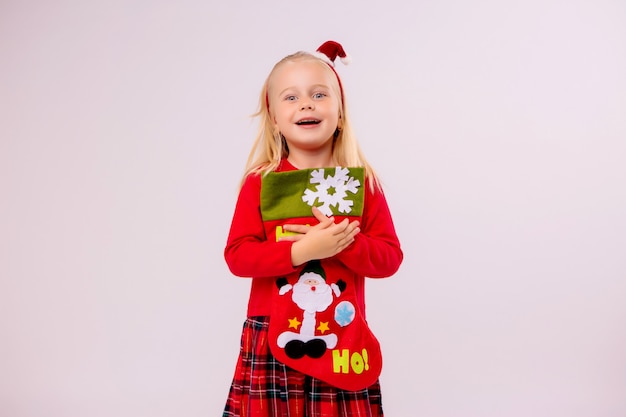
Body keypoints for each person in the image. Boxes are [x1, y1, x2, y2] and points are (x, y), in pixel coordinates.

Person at [222, 40, 403, 417]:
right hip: (273, 334)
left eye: (319, 94)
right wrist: (300, 253)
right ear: (274, 117)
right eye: (291, 97)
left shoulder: (362, 183)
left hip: (342, 335)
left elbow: (388, 258)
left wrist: (341, 245)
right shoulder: (262, 182)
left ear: (340, 112)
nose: (306, 103)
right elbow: (238, 256)